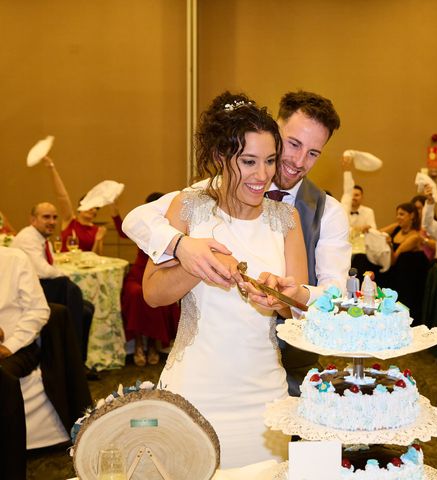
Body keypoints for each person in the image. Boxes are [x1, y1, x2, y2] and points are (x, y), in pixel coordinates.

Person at [122, 90, 349, 396]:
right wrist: (188, 252)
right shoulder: (192, 202)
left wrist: (286, 296)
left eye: (313, 153)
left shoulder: (296, 217)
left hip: (267, 382)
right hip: (196, 380)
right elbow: (141, 238)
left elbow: (318, 298)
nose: (294, 161)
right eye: (293, 144)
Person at [142, 92, 308, 468]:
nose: (262, 175)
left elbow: (300, 309)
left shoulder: (286, 219)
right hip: (196, 390)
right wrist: (196, 261)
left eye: (269, 161)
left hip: (264, 397)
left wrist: (280, 298)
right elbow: (152, 293)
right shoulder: (187, 207)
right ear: (220, 157)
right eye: (248, 161)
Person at [12, 202, 95, 364]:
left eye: (54, 217)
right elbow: (43, 270)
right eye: (46, 217)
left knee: (87, 309)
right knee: (67, 286)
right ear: (33, 219)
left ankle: (79, 361)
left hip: (41, 288)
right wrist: (64, 275)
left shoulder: (44, 240)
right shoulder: (28, 237)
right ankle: (73, 360)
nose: (52, 221)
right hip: (26, 295)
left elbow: (50, 268)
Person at [0, 247, 51, 478]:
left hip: (17, 346)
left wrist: (9, 345)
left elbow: (39, 310)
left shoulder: (14, 259)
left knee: (3, 378)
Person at [121, 192, 180, 367]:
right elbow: (122, 231)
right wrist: (115, 212)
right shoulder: (143, 225)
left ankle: (153, 345)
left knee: (157, 294)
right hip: (138, 273)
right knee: (135, 293)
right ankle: (139, 343)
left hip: (159, 271)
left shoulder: (171, 225)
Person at [41, 156, 125, 254]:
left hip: (85, 267)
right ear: (80, 208)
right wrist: (52, 168)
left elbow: (96, 256)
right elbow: (62, 197)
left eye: (96, 208)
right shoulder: (70, 221)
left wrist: (98, 240)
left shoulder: (97, 230)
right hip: (65, 265)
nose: (92, 209)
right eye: (89, 205)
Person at [411, 194, 436, 261]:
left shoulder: (431, 226)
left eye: (419, 208)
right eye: (414, 209)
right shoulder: (410, 226)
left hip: (427, 263)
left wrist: (423, 240)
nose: (416, 212)